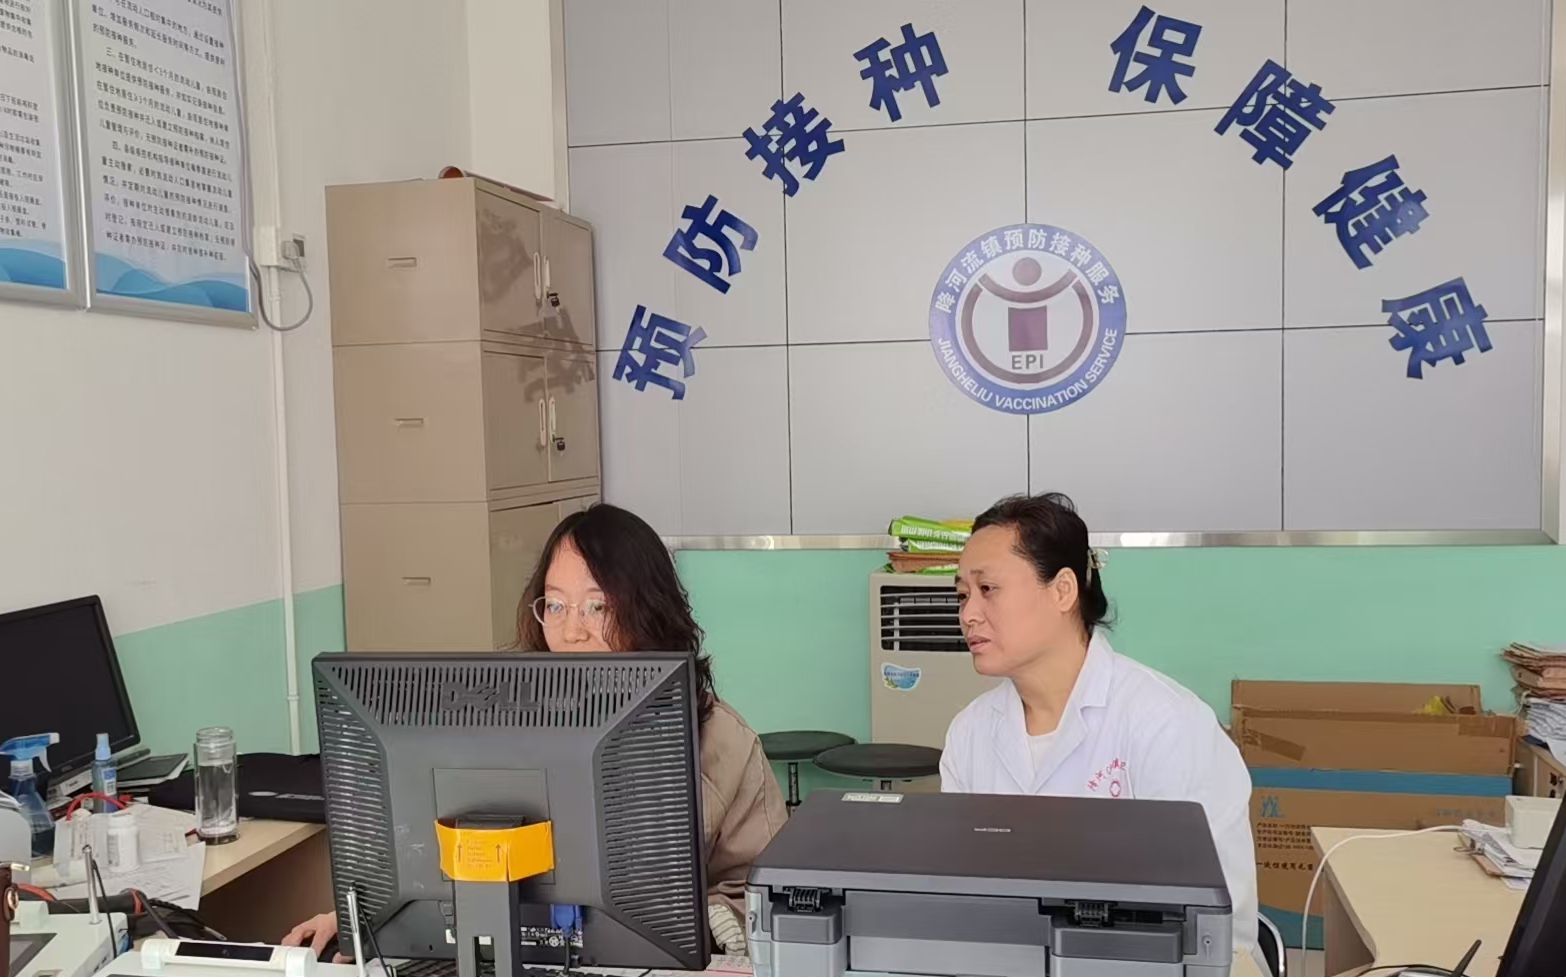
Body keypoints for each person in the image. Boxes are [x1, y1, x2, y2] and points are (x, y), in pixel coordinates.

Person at [283, 503, 786, 958]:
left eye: (598, 606)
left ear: (648, 610)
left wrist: (715, 932)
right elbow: (418, 853)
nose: (571, 631)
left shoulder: (722, 740)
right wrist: (366, 919)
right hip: (500, 957)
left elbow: (765, 891)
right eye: (556, 605)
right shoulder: (488, 720)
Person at [939, 493, 1258, 957]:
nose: (968, 614)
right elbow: (958, 896)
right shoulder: (969, 733)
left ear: (1063, 591)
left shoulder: (1165, 724)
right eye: (962, 595)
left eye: (988, 589)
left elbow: (1214, 928)